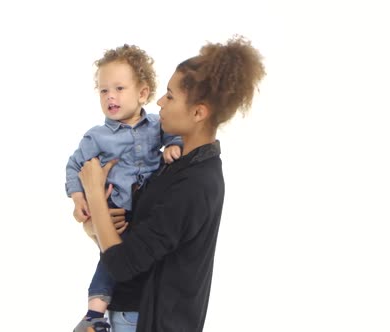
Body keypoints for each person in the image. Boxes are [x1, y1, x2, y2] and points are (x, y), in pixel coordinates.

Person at [77, 35, 266, 332]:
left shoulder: (197, 184)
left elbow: (123, 264)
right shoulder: (173, 163)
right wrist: (94, 225)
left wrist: (94, 195)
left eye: (171, 95)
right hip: (128, 311)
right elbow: (136, 238)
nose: (159, 102)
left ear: (198, 112)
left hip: (144, 321)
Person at [65, 44, 183, 332]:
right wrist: (79, 197)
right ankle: (94, 313)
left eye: (119, 88)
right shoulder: (97, 136)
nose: (111, 97)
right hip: (116, 212)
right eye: (104, 91)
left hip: (147, 215)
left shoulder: (157, 125)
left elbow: (179, 136)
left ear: (142, 93)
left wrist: (173, 148)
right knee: (111, 259)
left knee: (137, 260)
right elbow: (73, 166)